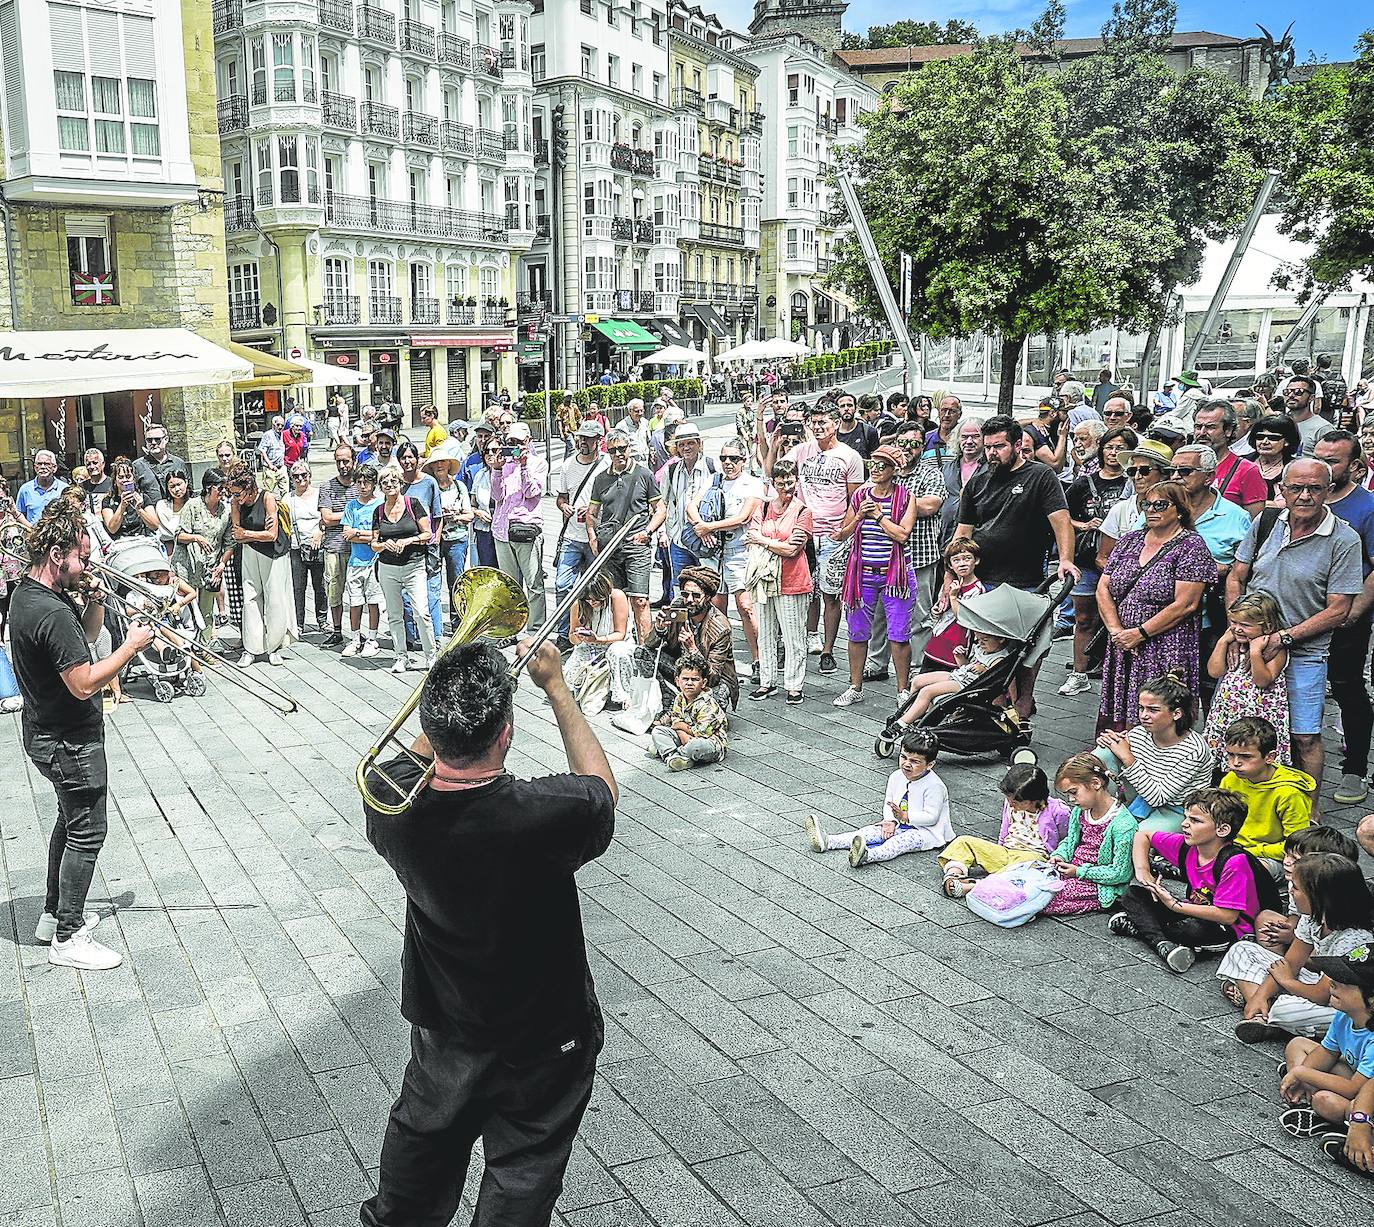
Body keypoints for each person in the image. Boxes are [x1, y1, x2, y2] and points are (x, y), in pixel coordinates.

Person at [359, 637, 615, 1227]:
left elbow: (419, 752)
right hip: (546, 1033)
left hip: (446, 1024)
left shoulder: (389, 802)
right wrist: (557, 688)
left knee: (420, 1151)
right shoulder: (546, 811)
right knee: (524, 1171)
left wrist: (448, 693)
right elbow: (602, 790)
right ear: (505, 733)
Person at [9, 501, 155, 969]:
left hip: (47, 732)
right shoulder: (48, 613)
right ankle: (68, 937)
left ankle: (53, 916)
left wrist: (94, 600)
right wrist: (131, 647)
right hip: (69, 741)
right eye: (81, 557)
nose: (86, 565)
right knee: (89, 831)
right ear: (56, 554)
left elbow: (84, 641)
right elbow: (85, 681)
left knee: (69, 823)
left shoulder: (30, 595)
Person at [1228, 458, 1363, 792]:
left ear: (1328, 492)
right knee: (1246, 732)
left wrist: (1284, 638)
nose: (1305, 496)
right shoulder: (1265, 521)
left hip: (1305, 653)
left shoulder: (1344, 539)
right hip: (1251, 648)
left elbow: (1339, 609)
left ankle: (1309, 811)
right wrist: (1235, 629)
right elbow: (1237, 576)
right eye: (1296, 488)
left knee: (1304, 736)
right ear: (1281, 490)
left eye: (1314, 489)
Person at [1096, 480, 1217, 733]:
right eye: (1146, 504)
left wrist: (1139, 633)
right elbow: (1103, 588)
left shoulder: (1191, 546)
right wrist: (1118, 632)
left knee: (1159, 708)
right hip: (1122, 642)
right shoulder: (1129, 540)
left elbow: (1186, 604)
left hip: (1165, 644)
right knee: (1119, 707)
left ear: (1180, 509)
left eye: (1160, 504)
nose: (1151, 510)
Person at [1221, 850, 1373, 1044]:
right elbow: (1290, 963)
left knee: (1287, 1009)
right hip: (1319, 982)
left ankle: (1271, 1016)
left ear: (1320, 898)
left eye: (1297, 888)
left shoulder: (1352, 938)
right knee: (1241, 949)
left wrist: (1286, 982)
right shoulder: (1313, 918)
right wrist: (1260, 995)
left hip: (1343, 1002)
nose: (1291, 892)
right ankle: (1262, 1010)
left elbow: (1322, 995)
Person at [1113, 788, 1265, 973]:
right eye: (1186, 817)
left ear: (1223, 829)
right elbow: (1142, 836)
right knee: (1133, 894)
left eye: (1195, 821)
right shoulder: (1186, 846)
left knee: (1190, 930)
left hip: (1226, 928)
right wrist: (1143, 871)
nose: (1184, 824)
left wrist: (1174, 906)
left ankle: (1146, 930)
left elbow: (1228, 916)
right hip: (1192, 909)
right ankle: (1163, 944)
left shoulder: (1234, 862)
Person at [773, 405, 863, 673]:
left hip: (833, 534)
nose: (818, 427)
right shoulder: (802, 451)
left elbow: (854, 500)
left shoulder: (850, 456)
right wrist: (775, 443)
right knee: (803, 591)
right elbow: (775, 472)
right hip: (805, 533)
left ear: (835, 423)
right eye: (814, 423)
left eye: (823, 422)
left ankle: (827, 649)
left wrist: (844, 531)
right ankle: (802, 639)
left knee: (831, 594)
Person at [830, 445, 919, 707]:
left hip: (896, 576)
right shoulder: (859, 495)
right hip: (862, 575)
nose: (876, 469)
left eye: (882, 465)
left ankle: (903, 690)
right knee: (857, 633)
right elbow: (842, 534)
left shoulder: (905, 497)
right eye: (873, 464)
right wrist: (858, 516)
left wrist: (878, 516)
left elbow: (903, 534)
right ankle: (855, 687)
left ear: (894, 471)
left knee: (899, 635)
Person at [1313, 432, 1374, 804]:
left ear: (1354, 466)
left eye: (1332, 460)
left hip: (1346, 620)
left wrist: (1354, 611)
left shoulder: (1366, 507)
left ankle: (1355, 769)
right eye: (1318, 457)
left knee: (1348, 689)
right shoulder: (1303, 500)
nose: (1323, 465)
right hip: (1304, 617)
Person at [954, 415, 1078, 597]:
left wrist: (1066, 560)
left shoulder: (1041, 475)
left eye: (999, 446)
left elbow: (1061, 522)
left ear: (1018, 446)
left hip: (1026, 581)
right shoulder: (976, 483)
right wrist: (952, 576)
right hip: (981, 580)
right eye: (988, 447)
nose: (992, 453)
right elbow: (963, 533)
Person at [805, 730, 952, 868]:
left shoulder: (935, 786)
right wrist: (890, 821)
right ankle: (829, 841)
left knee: (897, 843)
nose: (906, 764)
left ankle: (868, 855)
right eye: (903, 757)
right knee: (869, 832)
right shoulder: (896, 776)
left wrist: (905, 816)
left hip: (925, 832)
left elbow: (931, 817)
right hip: (899, 823)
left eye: (915, 761)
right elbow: (889, 802)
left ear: (930, 765)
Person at [1060, 427, 1134, 697]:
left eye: (1120, 448)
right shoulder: (1084, 483)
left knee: (1122, 620)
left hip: (1125, 561)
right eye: (1109, 447)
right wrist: (1083, 524)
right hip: (1089, 560)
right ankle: (1079, 672)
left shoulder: (1132, 481)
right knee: (1083, 618)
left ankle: (1116, 673)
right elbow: (1061, 515)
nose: (1113, 453)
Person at [1094, 672, 1214, 834]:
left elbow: (1157, 798)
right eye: (1141, 708)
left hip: (1176, 809)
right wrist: (1109, 743)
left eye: (1153, 710)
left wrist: (1127, 757)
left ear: (1176, 714)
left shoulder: (1194, 750)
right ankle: (1100, 807)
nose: (1144, 716)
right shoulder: (1139, 733)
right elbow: (1110, 754)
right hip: (1141, 798)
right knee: (1103, 753)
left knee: (1135, 837)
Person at [1276, 950, 1374, 1141]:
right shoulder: (1344, 1014)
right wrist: (1307, 1075)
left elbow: (1353, 1089)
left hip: (1364, 1098)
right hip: (1356, 1076)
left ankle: (1339, 1124)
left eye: (1344, 982)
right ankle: (1304, 1091)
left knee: (1325, 1101)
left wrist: (1301, 1073)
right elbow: (1327, 1052)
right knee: (1297, 1045)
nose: (1332, 983)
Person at [939, 763, 1071, 898]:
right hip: (1007, 852)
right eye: (1009, 799)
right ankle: (954, 875)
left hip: (1033, 857)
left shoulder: (1058, 810)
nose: (1010, 803)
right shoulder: (1010, 802)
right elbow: (1005, 828)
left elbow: (1068, 839)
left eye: (1015, 802)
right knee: (964, 841)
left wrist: (1057, 861)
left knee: (1021, 868)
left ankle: (976, 886)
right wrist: (996, 851)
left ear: (1034, 798)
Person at [690, 439, 763, 684]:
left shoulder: (752, 483)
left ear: (744, 460)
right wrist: (701, 527)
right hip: (714, 551)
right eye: (723, 458)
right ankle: (718, 660)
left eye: (733, 458)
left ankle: (758, 660)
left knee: (746, 606)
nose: (728, 463)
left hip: (738, 550)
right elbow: (691, 504)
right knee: (715, 607)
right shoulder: (713, 480)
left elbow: (743, 517)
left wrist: (708, 526)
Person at [745, 459, 814, 705]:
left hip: (793, 580)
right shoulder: (762, 509)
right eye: (781, 482)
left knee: (793, 635)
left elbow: (792, 550)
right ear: (773, 483)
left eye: (790, 481)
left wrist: (763, 540)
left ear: (797, 481)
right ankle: (767, 681)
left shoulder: (803, 511)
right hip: (763, 580)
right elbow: (750, 538)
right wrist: (773, 543)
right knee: (765, 633)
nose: (786, 486)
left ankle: (794, 685)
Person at [587, 429, 665, 643]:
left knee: (640, 600)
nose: (618, 454)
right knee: (615, 599)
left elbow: (660, 509)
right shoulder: (601, 479)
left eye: (622, 448)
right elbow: (591, 513)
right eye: (613, 450)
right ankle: (618, 645)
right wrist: (592, 535)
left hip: (636, 544)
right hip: (609, 547)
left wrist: (647, 532)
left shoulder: (644, 474)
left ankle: (644, 648)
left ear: (629, 448)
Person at [1038, 753, 1137, 917]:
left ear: (1096, 783)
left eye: (1073, 792)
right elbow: (1071, 840)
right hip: (1072, 871)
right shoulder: (1080, 811)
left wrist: (1079, 872)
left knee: (1046, 897)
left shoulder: (1123, 825)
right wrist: (1060, 856)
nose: (1070, 799)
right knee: (1034, 881)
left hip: (1099, 883)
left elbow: (1121, 873)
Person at [1203, 592, 1290, 766]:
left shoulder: (1275, 650)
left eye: (1245, 625)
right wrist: (1222, 642)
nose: (1237, 629)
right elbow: (1214, 671)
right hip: (1228, 713)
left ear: (1267, 625)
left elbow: (1263, 680)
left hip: (1258, 715)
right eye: (1234, 622)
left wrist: (1255, 652)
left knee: (1253, 755)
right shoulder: (1232, 644)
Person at [1219, 717, 1315, 873]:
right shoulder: (1230, 779)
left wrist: (1252, 852)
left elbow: (1296, 846)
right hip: (1231, 848)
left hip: (1269, 857)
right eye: (1231, 755)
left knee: (1244, 870)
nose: (1235, 763)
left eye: (1246, 756)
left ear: (1270, 757)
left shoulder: (1289, 793)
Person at [642, 566, 738, 710]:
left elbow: (713, 678)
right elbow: (649, 645)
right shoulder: (678, 606)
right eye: (685, 594)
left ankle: (683, 706)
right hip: (681, 669)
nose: (689, 600)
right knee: (642, 654)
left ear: (708, 597)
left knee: (715, 699)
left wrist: (692, 649)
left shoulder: (721, 627)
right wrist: (660, 628)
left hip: (708, 679)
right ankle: (671, 702)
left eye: (696, 596)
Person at [227, 461, 294, 666]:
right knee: (250, 597)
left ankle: (274, 647)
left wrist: (247, 534)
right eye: (233, 493)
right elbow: (235, 535)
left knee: (274, 598)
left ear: (248, 487)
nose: (235, 497)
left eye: (238, 493)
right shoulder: (236, 502)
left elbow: (272, 535)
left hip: (273, 555)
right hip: (250, 552)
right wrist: (253, 536)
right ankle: (251, 648)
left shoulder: (267, 498)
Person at [373, 469, 438, 674]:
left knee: (421, 612)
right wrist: (385, 545)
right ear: (380, 486)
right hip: (388, 567)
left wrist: (408, 540)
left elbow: (428, 533)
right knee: (394, 614)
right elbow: (374, 543)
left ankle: (431, 656)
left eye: (393, 481)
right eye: (384, 482)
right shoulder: (379, 511)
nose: (389, 484)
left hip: (414, 565)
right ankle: (401, 656)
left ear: (401, 483)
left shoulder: (413, 504)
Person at [553, 421, 608, 649]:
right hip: (572, 535)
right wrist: (564, 507)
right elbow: (561, 497)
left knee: (597, 587)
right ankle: (564, 633)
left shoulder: (606, 464)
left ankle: (595, 631)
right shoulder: (567, 466)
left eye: (588, 439)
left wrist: (595, 511)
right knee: (562, 584)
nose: (583, 442)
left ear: (598, 441)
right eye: (580, 438)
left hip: (596, 535)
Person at [490, 422, 549, 628]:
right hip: (502, 530)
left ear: (528, 442)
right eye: (510, 442)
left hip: (526, 528)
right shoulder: (503, 465)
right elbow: (496, 496)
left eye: (519, 442)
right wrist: (497, 471)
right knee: (509, 585)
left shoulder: (538, 463)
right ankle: (511, 628)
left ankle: (536, 628)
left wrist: (523, 466)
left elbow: (531, 492)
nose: (514, 446)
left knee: (533, 583)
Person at [171, 469, 232, 646]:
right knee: (187, 610)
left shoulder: (224, 511)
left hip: (210, 568)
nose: (223, 491)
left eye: (224, 487)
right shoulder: (193, 506)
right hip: (187, 566)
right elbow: (179, 535)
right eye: (219, 488)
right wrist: (196, 537)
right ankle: (185, 648)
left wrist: (221, 565)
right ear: (208, 488)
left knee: (206, 610)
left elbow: (229, 542)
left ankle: (204, 648)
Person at [564, 571, 636, 711]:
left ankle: (624, 695)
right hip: (590, 645)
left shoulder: (617, 596)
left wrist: (599, 640)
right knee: (573, 674)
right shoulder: (578, 603)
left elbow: (620, 634)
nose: (592, 602)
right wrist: (578, 637)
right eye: (588, 599)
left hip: (615, 643)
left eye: (596, 599)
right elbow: (572, 637)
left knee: (617, 651)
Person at [398, 441, 444, 644]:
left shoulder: (429, 483)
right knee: (407, 594)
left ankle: (436, 635)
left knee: (431, 591)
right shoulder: (396, 483)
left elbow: (437, 514)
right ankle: (412, 636)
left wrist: (436, 539)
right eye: (403, 457)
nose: (407, 461)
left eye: (411, 457)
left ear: (417, 459)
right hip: (406, 546)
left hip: (428, 544)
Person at [648, 652, 729, 771]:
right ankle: (675, 757)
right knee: (658, 731)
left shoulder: (707, 704)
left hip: (709, 742)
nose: (689, 683)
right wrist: (682, 733)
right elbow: (675, 719)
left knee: (696, 746)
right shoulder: (680, 698)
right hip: (685, 737)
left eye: (695, 679)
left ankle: (672, 753)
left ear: (703, 682)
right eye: (685, 679)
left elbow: (701, 732)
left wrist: (680, 727)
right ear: (677, 680)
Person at [1193, 399, 1267, 517]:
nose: (1202, 432)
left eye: (1210, 427)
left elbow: (1255, 523)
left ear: (1228, 430)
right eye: (1198, 427)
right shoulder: (1184, 466)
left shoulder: (1246, 470)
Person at [921, 539, 986, 671]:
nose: (962, 564)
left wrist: (953, 597)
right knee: (924, 676)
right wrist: (936, 611)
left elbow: (964, 618)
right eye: (956, 560)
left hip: (956, 645)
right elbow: (939, 613)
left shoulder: (978, 590)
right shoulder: (950, 585)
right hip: (937, 642)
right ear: (950, 565)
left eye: (967, 558)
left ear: (976, 560)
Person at [427, 443, 473, 627]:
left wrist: (455, 516)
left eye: (443, 462)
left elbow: (469, 515)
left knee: (456, 582)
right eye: (436, 462)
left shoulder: (459, 486)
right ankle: (434, 624)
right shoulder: (429, 487)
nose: (439, 465)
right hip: (435, 540)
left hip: (457, 539)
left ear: (449, 464)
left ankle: (457, 622)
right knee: (433, 581)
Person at [318, 443, 358, 647]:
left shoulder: (361, 485)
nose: (342, 465)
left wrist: (338, 517)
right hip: (333, 546)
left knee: (358, 592)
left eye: (346, 461)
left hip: (358, 546)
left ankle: (358, 632)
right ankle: (336, 630)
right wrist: (353, 515)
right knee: (334, 590)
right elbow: (326, 518)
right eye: (339, 461)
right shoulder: (327, 487)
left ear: (354, 460)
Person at [341, 464, 383, 658]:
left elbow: (381, 536)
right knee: (355, 601)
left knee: (373, 601)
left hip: (374, 561)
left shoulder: (380, 505)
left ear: (374, 483)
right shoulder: (351, 506)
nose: (363, 486)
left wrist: (358, 533)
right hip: (355, 561)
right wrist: (367, 536)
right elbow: (346, 534)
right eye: (359, 482)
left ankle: (372, 638)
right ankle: (355, 638)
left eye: (367, 482)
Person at [285, 461, 327, 634]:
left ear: (310, 475)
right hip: (297, 546)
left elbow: (326, 517)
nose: (301, 479)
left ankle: (323, 620)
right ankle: (299, 622)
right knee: (298, 586)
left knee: (321, 585)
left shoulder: (320, 494)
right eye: (296, 477)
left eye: (304, 475)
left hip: (317, 544)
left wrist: (320, 531)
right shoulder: (288, 498)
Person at [132, 423, 190, 506]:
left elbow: (188, 490)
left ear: (166, 439)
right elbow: (134, 493)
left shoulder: (178, 463)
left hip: (176, 513)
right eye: (149, 440)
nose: (153, 443)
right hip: (151, 515)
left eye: (157, 439)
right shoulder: (137, 466)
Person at [101, 456, 157, 541]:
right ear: (115, 481)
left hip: (141, 540)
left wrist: (139, 509)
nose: (125, 480)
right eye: (120, 477)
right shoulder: (108, 501)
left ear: (133, 479)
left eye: (128, 476)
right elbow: (112, 529)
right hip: (120, 542)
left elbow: (155, 526)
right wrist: (122, 506)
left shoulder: (143, 498)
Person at [1251, 414, 1302, 504]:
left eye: (1273, 438)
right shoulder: (1241, 462)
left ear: (1287, 441)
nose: (1264, 442)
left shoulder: (1295, 468)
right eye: (1260, 437)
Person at [468, 436, 500, 569]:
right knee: (488, 569)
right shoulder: (480, 475)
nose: (490, 454)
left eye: (495, 450)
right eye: (487, 451)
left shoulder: (510, 473)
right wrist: (478, 512)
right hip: (484, 530)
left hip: (505, 530)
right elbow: (472, 505)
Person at [1284, 375, 1333, 455]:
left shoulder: (1323, 428)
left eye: (1298, 392)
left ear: (1311, 398)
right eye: (1287, 392)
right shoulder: (1281, 422)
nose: (1291, 396)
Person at [17, 450, 68, 522]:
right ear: (35, 467)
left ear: (54, 468)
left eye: (47, 464)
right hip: (33, 532)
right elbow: (19, 513)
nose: (43, 467)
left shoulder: (64, 489)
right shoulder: (25, 489)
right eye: (39, 464)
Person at [153, 469, 193, 556]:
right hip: (169, 548)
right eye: (172, 486)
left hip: (193, 546)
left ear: (186, 483)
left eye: (179, 484)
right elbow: (167, 532)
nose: (177, 489)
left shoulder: (194, 504)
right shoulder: (162, 505)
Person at [834, 389, 877, 458]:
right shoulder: (832, 432)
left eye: (849, 405)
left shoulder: (868, 431)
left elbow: (875, 458)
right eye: (842, 406)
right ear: (837, 410)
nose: (846, 409)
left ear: (856, 408)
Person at [613, 398, 651, 465]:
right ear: (630, 411)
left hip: (645, 462)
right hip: (631, 463)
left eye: (641, 410)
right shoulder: (621, 426)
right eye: (637, 411)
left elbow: (648, 441)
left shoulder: (645, 422)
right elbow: (617, 446)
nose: (640, 413)